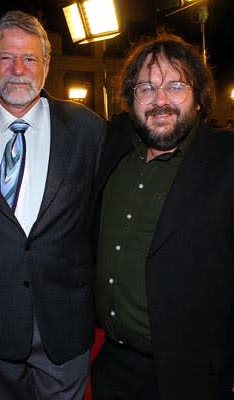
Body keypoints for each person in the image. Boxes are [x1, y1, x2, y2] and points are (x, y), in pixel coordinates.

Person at [0, 10, 106, 400]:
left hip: (65, 318)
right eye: (5, 57)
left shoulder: (88, 129)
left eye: (29, 58)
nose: (17, 69)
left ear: (47, 65)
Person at [91, 31, 234, 400]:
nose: (160, 101)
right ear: (131, 100)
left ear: (199, 99)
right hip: (112, 368)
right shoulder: (114, 146)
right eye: (146, 88)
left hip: (192, 376)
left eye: (175, 86)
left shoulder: (226, 161)